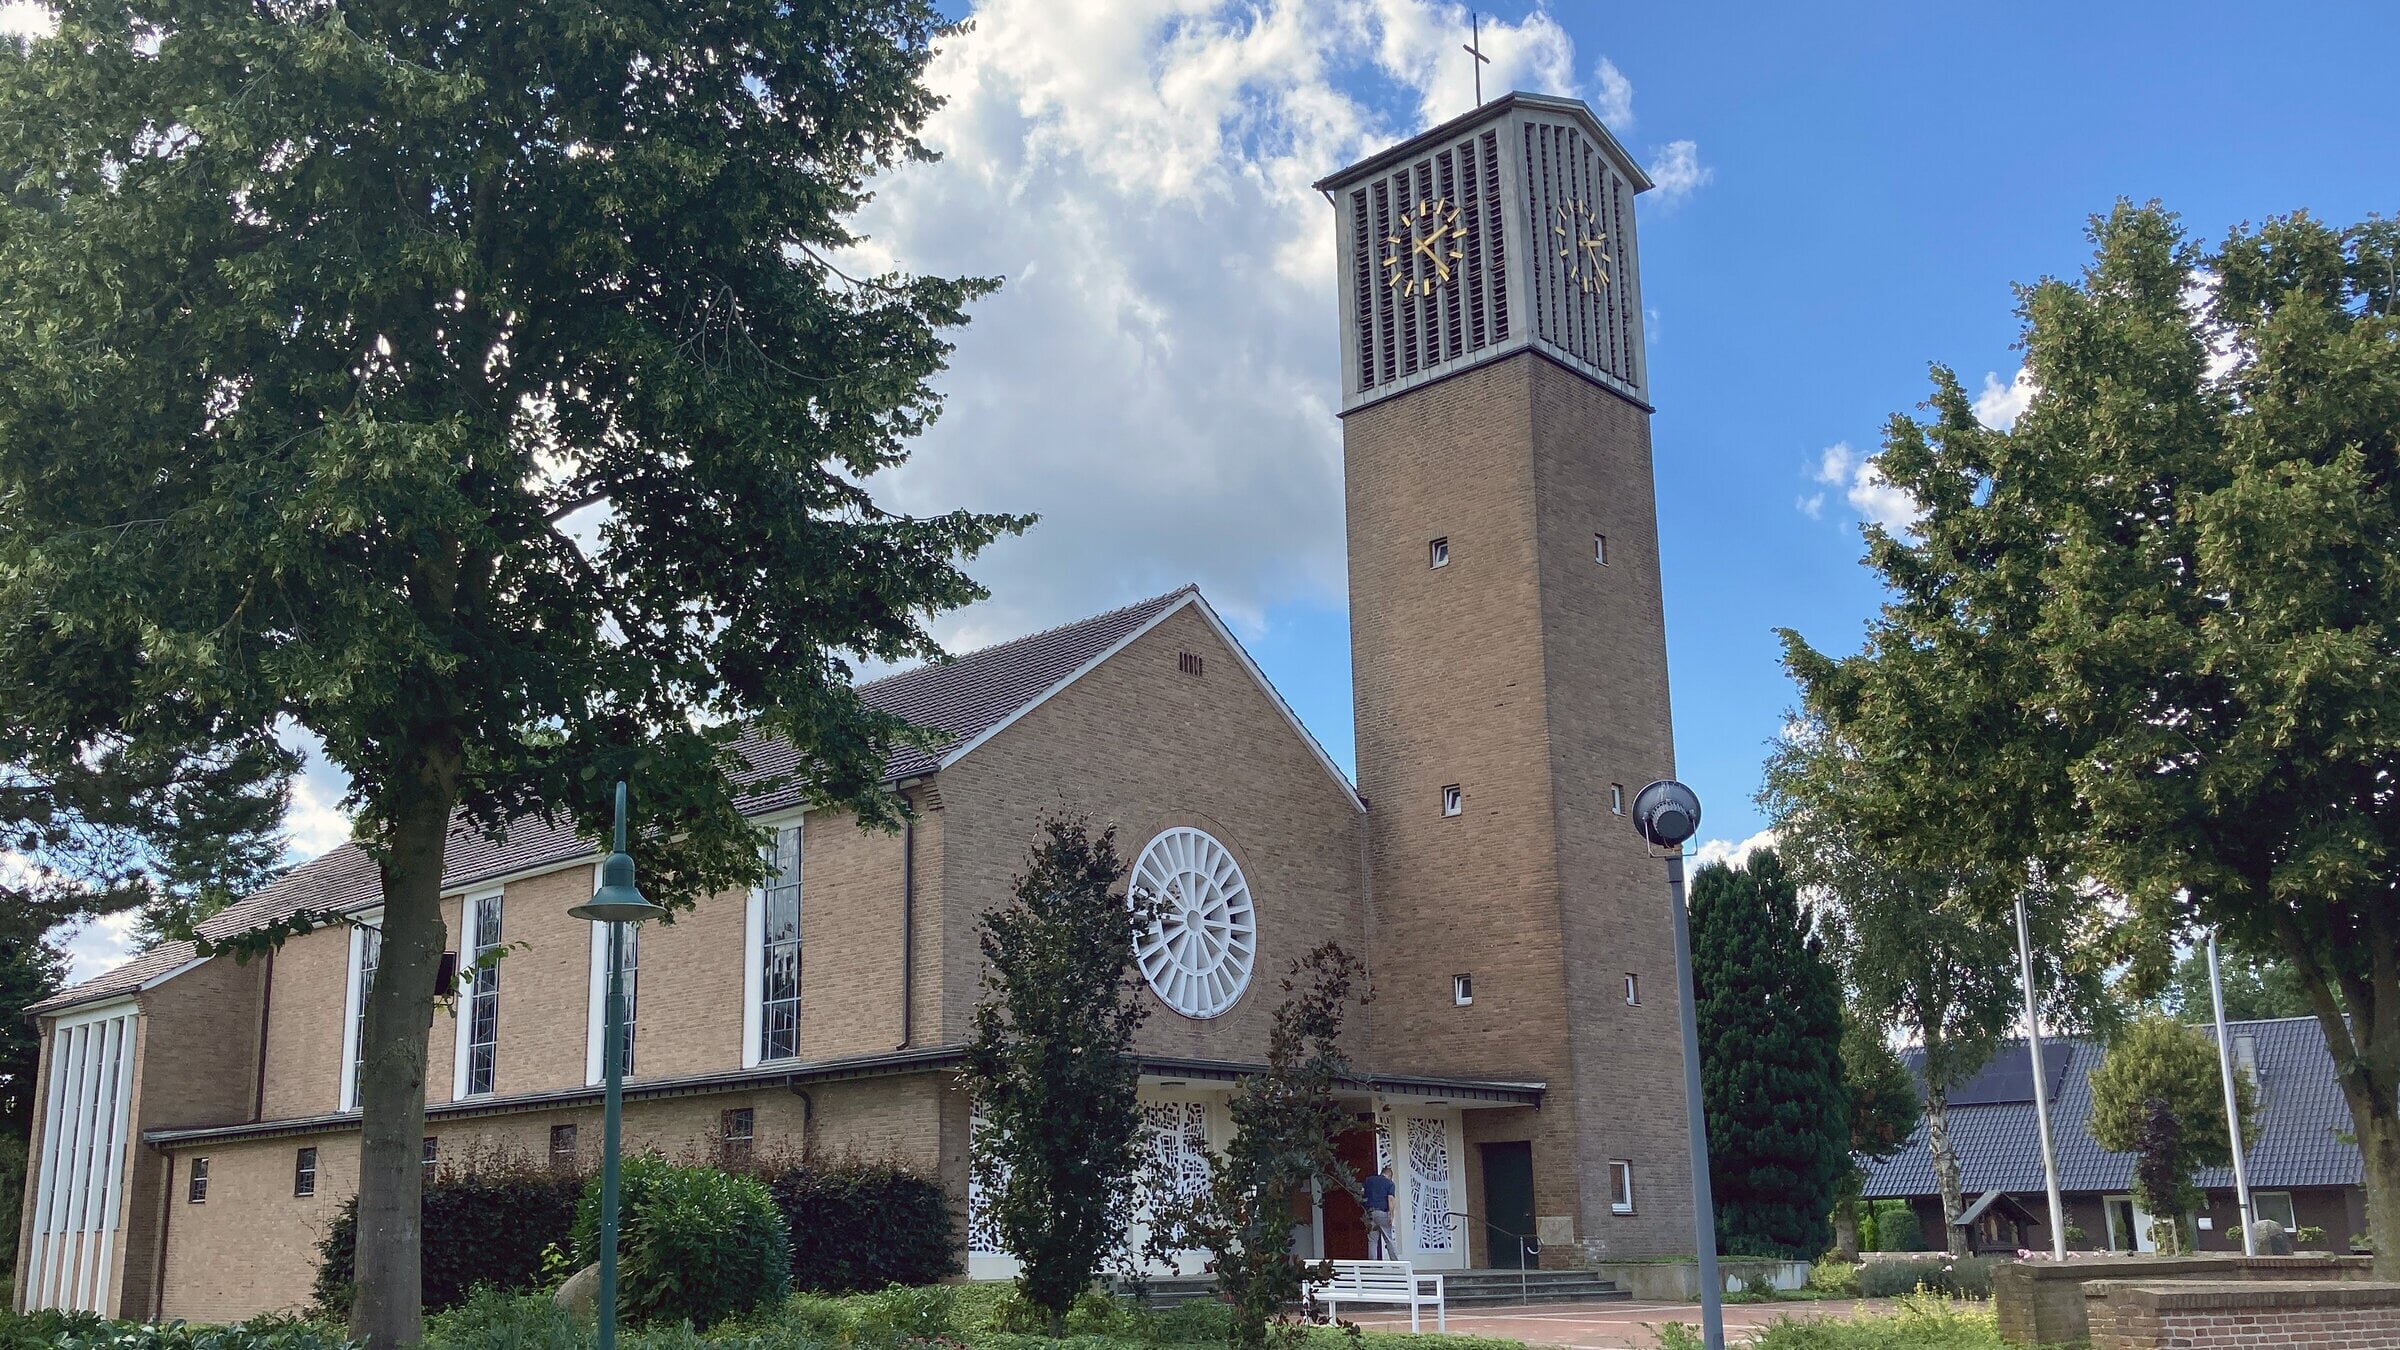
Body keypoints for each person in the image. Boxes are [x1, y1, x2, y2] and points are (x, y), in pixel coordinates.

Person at [1360, 1165, 1399, 1259]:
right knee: (1389, 1239)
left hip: (1369, 1213)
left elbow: (1361, 1192)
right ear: (1389, 1175)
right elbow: (1390, 1199)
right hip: (1382, 1213)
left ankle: (1373, 1266)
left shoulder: (1369, 1180)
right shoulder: (1389, 1183)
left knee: (1372, 1241)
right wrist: (1391, 1215)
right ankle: (1396, 1264)